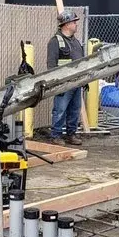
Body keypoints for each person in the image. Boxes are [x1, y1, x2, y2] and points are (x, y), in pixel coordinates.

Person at [46, 9, 85, 146]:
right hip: (63, 84)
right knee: (60, 110)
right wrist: (57, 83)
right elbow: (51, 66)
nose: (76, 24)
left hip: (76, 82)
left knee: (75, 109)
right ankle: (56, 135)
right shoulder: (55, 42)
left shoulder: (76, 42)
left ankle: (71, 134)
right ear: (67, 24)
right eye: (74, 22)